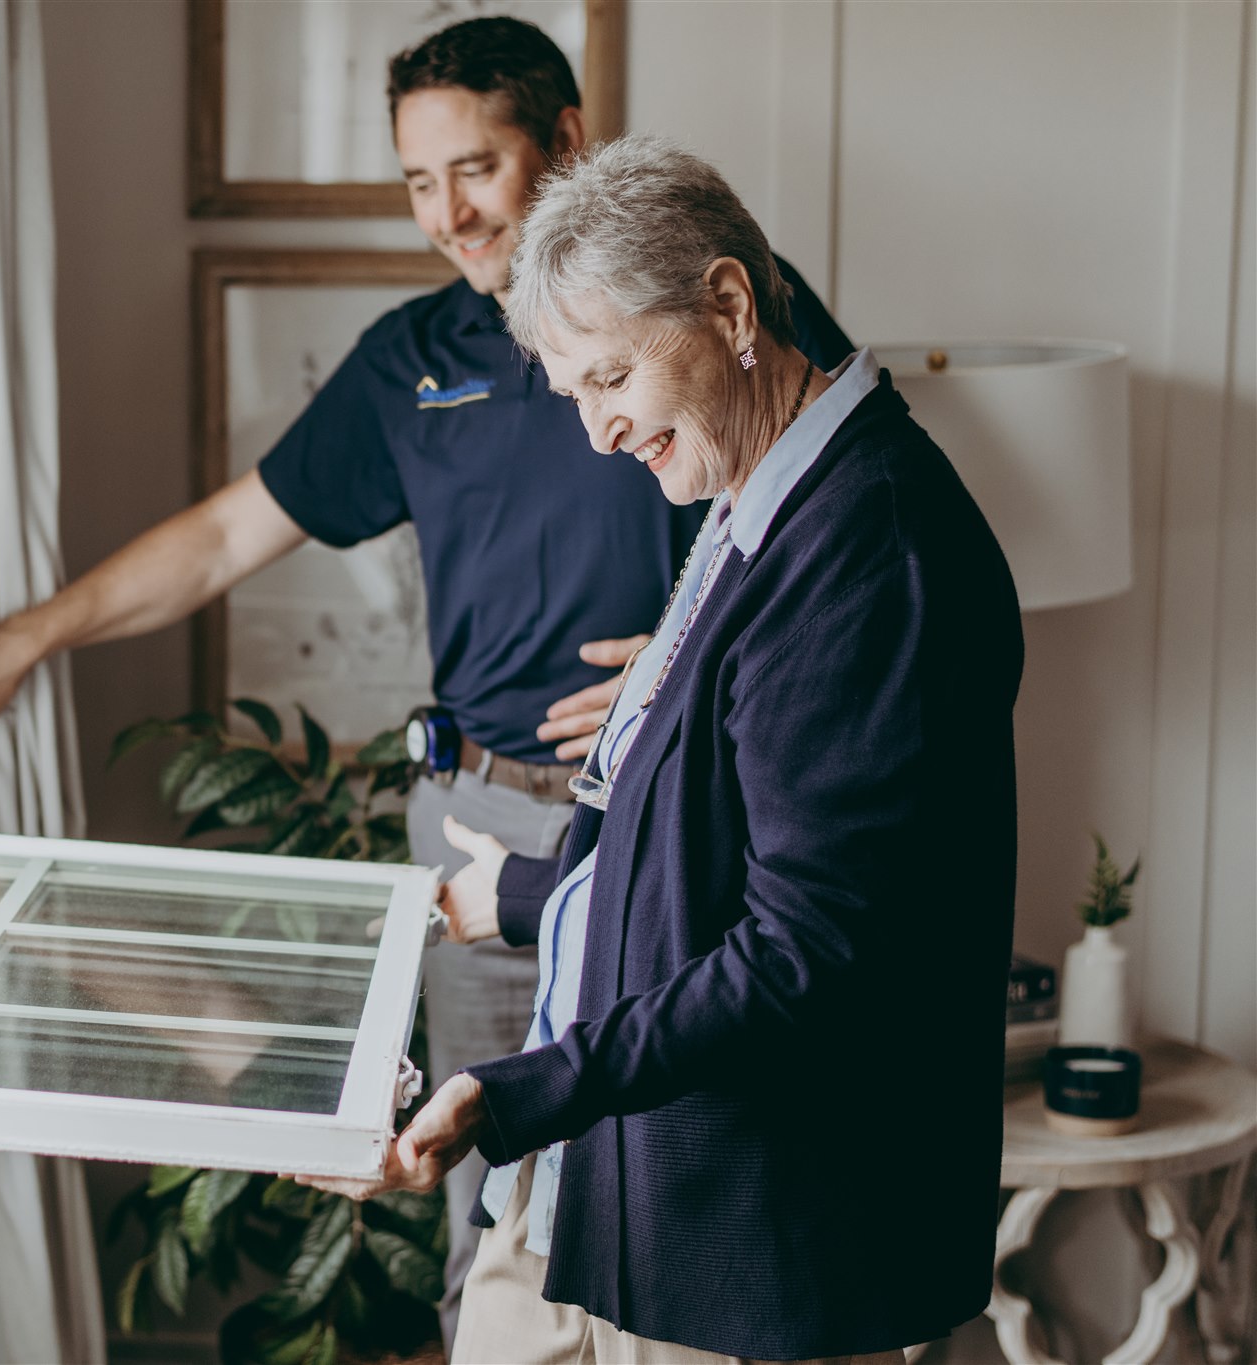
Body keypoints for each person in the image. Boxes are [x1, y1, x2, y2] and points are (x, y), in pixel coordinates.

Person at [0, 19, 852, 1332]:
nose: (448, 212)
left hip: (666, 822)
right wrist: (27, 635)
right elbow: (233, 531)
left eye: (475, 167)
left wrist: (700, 642)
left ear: (565, 142)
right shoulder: (408, 363)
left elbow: (829, 505)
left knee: (675, 1192)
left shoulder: (704, 294)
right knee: (489, 1201)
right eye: (418, 181)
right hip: (478, 819)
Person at [301, 134, 1023, 1365]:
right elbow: (718, 827)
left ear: (729, 304)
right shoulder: (755, 495)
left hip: (761, 1233)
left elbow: (806, 948)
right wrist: (531, 894)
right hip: (621, 1177)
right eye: (569, 391)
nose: (596, 433)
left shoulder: (868, 547)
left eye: (609, 378)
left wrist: (514, 1092)